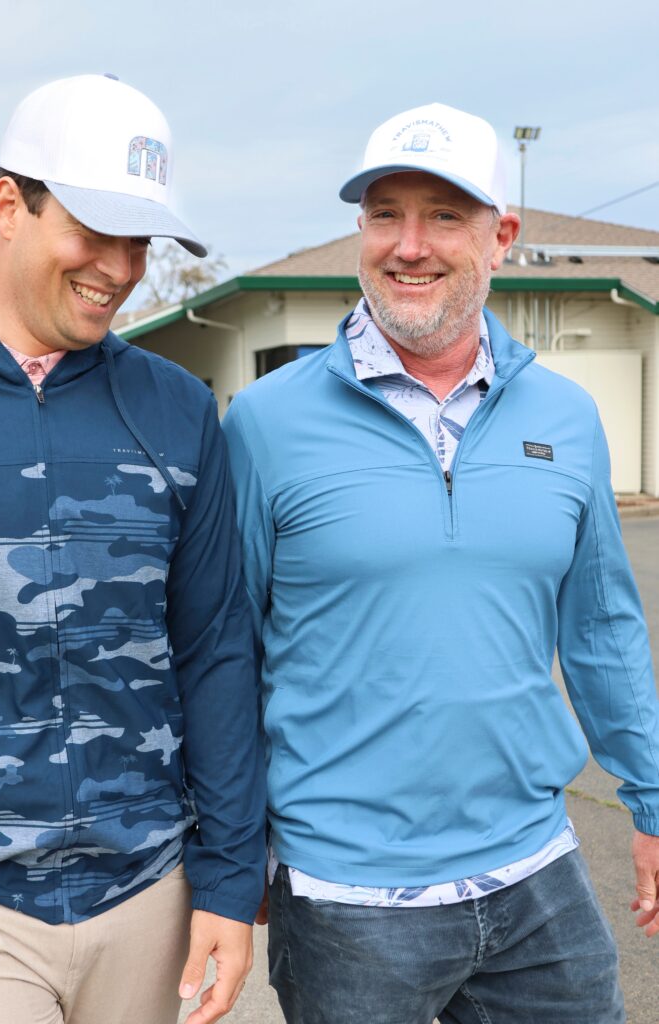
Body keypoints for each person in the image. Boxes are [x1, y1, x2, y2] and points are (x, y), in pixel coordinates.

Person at [0, 73, 265, 1024]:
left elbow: (214, 652)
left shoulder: (178, 407)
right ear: (7, 205)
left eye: (139, 241)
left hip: (145, 891)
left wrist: (231, 884)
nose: (117, 267)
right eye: (92, 230)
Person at [223, 102, 659, 1024]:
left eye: (444, 215)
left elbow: (601, 628)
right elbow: (223, 650)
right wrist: (228, 852)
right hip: (346, 898)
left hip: (536, 875)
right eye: (385, 214)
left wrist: (651, 798)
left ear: (500, 235)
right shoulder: (266, 424)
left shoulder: (565, 416)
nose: (408, 245)